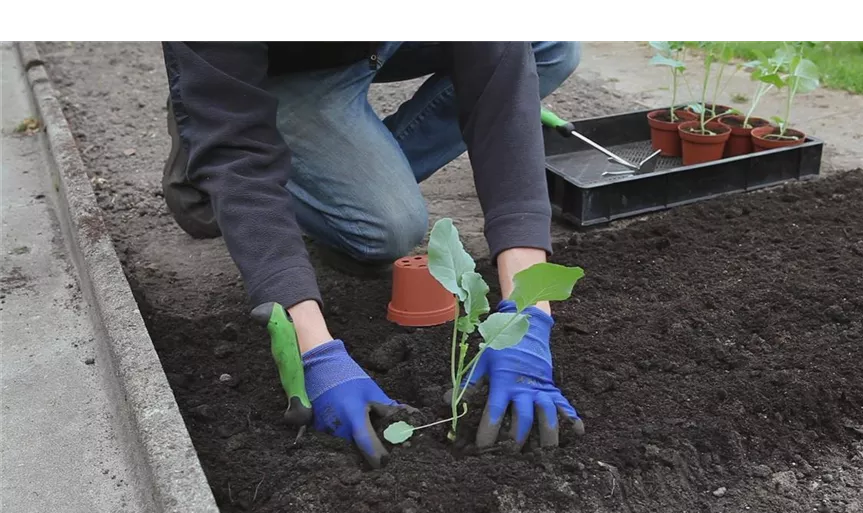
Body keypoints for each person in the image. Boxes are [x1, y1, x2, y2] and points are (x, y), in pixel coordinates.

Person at [159, 40, 586, 468]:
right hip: (276, 68)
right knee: (387, 227)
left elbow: (503, 83)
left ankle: (342, 178)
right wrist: (314, 351)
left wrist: (528, 313)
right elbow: (239, 155)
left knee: (549, 47)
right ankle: (205, 121)